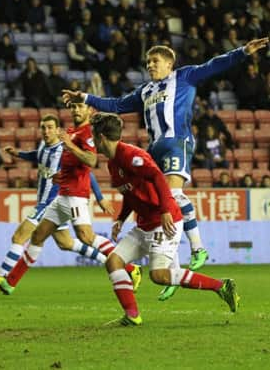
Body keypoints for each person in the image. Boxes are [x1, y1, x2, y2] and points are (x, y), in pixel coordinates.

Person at [63, 37, 269, 300]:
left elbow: (214, 65)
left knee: (170, 196)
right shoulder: (146, 91)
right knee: (154, 197)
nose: (150, 65)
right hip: (155, 150)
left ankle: (197, 249)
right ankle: (171, 270)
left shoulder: (185, 77)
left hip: (176, 144)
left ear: (170, 64)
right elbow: (116, 105)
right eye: (148, 62)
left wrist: (242, 52)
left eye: (155, 61)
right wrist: (85, 97)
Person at [88, 112, 238, 325]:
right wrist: (121, 218)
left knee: (159, 275)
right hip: (144, 224)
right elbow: (131, 194)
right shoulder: (113, 164)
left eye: (94, 136)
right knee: (113, 261)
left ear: (101, 137)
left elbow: (158, 176)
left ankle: (221, 286)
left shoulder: (131, 156)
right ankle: (132, 316)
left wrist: (166, 209)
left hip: (163, 221)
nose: (93, 141)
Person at [0, 104, 141, 294]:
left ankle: (131, 269)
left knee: (86, 237)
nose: (76, 110)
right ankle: (10, 282)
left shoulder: (86, 134)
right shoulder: (70, 131)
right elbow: (72, 163)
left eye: (80, 107)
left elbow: (91, 161)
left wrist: (70, 145)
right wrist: (61, 175)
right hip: (62, 195)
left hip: (75, 196)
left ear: (89, 111)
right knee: (38, 236)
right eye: (73, 107)